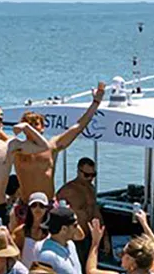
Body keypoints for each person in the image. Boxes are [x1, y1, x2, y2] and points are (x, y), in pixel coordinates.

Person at [13, 82, 106, 210]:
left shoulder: (52, 146)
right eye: (28, 124)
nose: (32, 127)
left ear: (43, 128)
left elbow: (78, 127)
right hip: (25, 204)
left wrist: (95, 103)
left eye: (36, 124)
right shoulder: (16, 148)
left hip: (47, 204)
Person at [56, 157, 106, 264]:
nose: (90, 178)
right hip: (75, 238)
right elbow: (58, 214)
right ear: (78, 171)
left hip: (90, 236)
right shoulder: (67, 191)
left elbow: (95, 212)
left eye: (93, 175)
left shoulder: (91, 189)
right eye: (87, 175)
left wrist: (105, 237)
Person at [12, 191, 50, 267]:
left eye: (42, 206)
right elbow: (14, 255)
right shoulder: (20, 231)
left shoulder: (52, 231)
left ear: (46, 209)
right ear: (29, 208)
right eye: (34, 205)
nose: (37, 208)